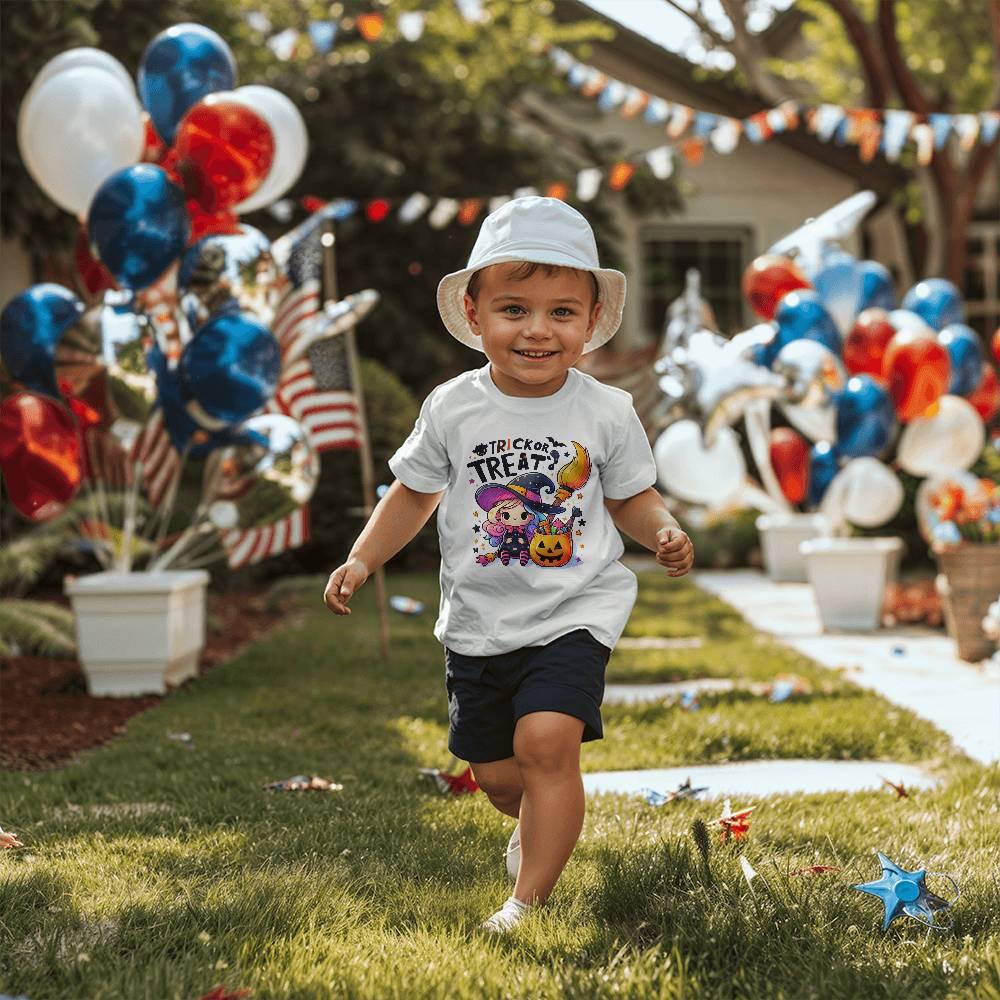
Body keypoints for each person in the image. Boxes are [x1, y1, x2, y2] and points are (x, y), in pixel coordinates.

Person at [323, 196, 694, 933]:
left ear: (591, 321)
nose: (537, 329)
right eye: (515, 309)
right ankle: (530, 824)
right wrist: (363, 558)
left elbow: (631, 496)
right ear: (474, 314)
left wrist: (664, 530)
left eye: (562, 312)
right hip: (479, 624)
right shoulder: (453, 408)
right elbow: (411, 495)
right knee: (499, 776)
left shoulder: (608, 411)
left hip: (574, 611)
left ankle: (524, 905)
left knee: (547, 743)